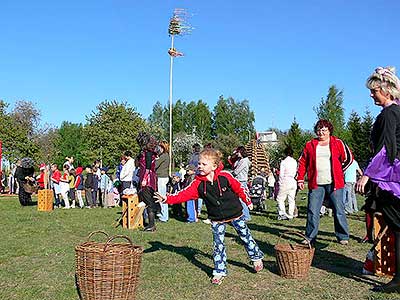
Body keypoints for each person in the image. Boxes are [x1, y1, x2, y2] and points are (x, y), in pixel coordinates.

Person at [154, 148, 264, 285]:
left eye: (203, 164)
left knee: (245, 236)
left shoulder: (226, 176)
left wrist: (248, 201)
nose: (199, 166)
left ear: (214, 166)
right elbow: (183, 194)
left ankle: (256, 258)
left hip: (235, 213)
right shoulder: (197, 183)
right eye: (199, 163)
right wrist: (166, 199)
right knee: (218, 244)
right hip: (216, 218)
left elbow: (239, 188)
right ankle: (219, 270)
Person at [355, 66, 400, 293]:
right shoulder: (397, 111)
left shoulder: (390, 113)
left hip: (391, 178)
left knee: (397, 224)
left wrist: (367, 174)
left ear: (385, 90)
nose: (372, 95)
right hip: (394, 175)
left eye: (374, 91)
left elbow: (386, 148)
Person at [297, 119, 353, 245]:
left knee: (339, 210)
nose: (321, 132)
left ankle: (343, 236)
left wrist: (339, 171)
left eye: (324, 130)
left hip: (335, 183)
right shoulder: (309, 145)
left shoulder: (338, 143)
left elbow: (348, 158)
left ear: (329, 131)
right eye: (319, 130)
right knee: (312, 210)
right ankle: (310, 236)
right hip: (316, 183)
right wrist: (300, 178)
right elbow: (302, 162)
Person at [136, 132, 159, 232]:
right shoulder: (147, 152)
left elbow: (148, 168)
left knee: (149, 202)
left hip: (148, 180)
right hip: (150, 179)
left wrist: (144, 180)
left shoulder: (148, 153)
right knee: (149, 201)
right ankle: (150, 223)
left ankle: (151, 225)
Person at [276, 146, 298, 220]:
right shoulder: (294, 161)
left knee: (280, 199)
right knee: (291, 199)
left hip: (286, 180)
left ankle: (282, 213)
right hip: (293, 180)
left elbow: (281, 174)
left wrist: (280, 182)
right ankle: (291, 214)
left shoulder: (284, 162)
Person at [231, 146, 252, 221]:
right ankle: (241, 214)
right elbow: (232, 162)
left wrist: (230, 174)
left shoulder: (244, 161)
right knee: (237, 199)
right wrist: (233, 154)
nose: (237, 153)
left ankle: (246, 216)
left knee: (241, 199)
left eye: (238, 152)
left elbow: (236, 171)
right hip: (238, 180)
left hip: (241, 181)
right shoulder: (240, 159)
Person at [155, 140, 171, 222]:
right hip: (162, 177)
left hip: (162, 178)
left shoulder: (163, 156)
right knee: (161, 196)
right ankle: (162, 214)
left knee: (162, 198)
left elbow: (155, 165)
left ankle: (164, 217)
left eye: (159, 147)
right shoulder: (165, 155)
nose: (158, 148)